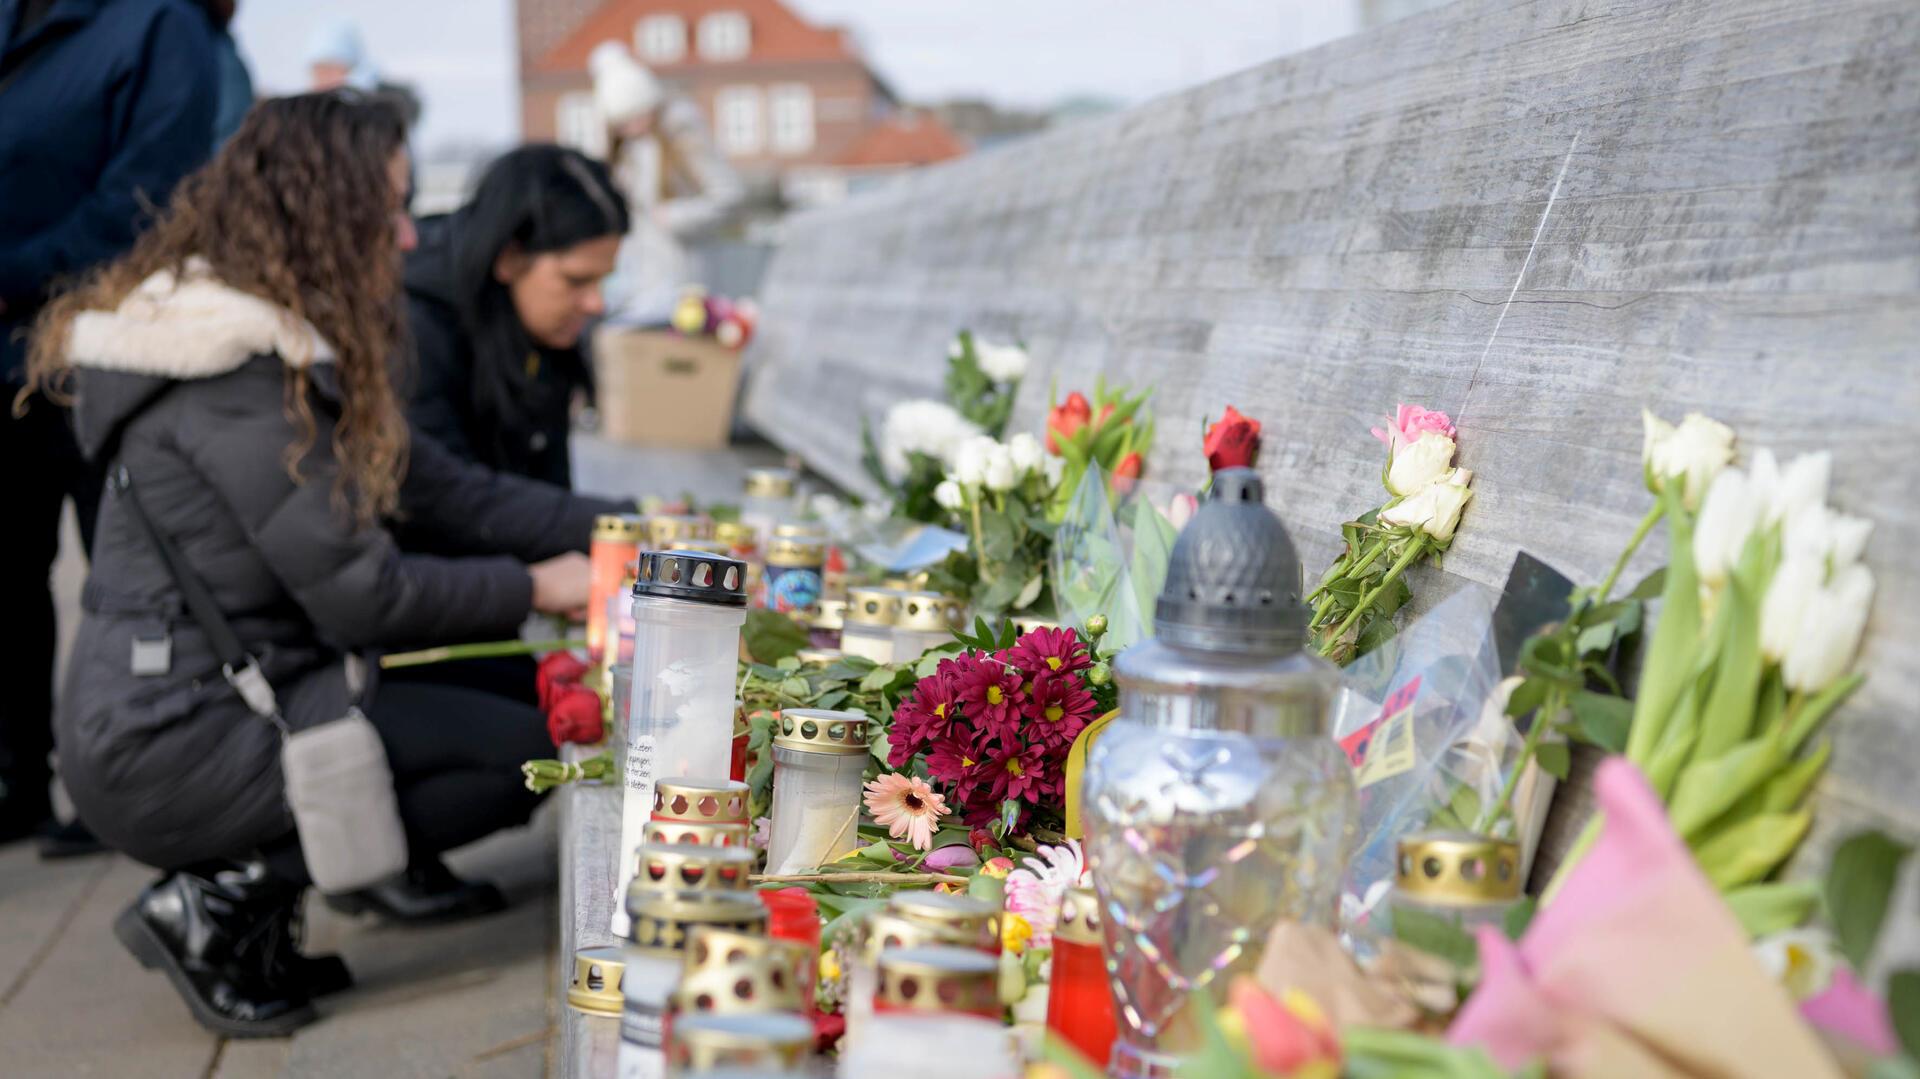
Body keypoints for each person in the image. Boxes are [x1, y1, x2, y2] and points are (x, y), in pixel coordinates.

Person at [23, 92, 600, 1036]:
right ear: (324, 212)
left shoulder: (274, 349)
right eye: (394, 207)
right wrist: (544, 583)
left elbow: (447, 489)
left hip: (233, 692)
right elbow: (368, 596)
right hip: (172, 735)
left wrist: (638, 522)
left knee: (531, 691)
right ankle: (220, 900)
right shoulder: (238, 383)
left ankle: (260, 909)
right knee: (535, 755)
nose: (410, 236)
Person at [0, 0, 218, 853]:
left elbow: (147, 197)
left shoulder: (155, 24)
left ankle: (119, 780)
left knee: (122, 580)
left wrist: (14, 272)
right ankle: (19, 775)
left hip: (100, 347)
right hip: (4, 361)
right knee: (9, 584)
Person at [404, 145, 629, 487]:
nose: (595, 303)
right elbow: (444, 499)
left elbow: (549, 489)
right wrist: (605, 520)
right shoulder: (416, 324)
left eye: (602, 280)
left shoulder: (541, 329)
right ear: (509, 258)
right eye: (576, 280)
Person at [587, 41, 745, 313]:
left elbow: (730, 196)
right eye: (623, 123)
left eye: (637, 116)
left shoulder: (684, 135)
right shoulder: (625, 154)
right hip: (640, 288)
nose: (632, 127)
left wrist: (675, 217)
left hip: (688, 281)